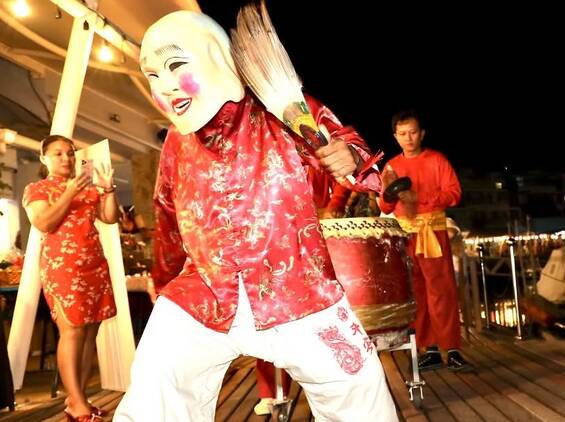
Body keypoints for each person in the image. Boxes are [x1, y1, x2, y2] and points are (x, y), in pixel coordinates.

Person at [113, 11, 397, 421]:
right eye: (153, 75)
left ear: (214, 59)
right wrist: (163, 282)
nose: (165, 86)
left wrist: (348, 155)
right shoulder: (176, 143)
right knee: (155, 385)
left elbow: (346, 146)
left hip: (296, 287)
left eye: (176, 65)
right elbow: (168, 217)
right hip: (204, 293)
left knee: (357, 389)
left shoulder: (278, 109)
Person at [23, 135, 119, 421]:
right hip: (63, 268)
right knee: (73, 331)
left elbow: (110, 217)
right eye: (57, 153)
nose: (66, 158)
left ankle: (79, 400)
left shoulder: (88, 188)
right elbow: (44, 222)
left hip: (94, 265)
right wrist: (69, 192)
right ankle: (77, 404)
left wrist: (108, 190)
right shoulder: (37, 189)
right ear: (44, 158)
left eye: (70, 152)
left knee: (90, 333)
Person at [378, 110, 470, 371]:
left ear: (422, 134)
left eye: (413, 132)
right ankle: (428, 348)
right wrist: (389, 194)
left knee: (442, 291)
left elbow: (454, 193)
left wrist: (421, 200)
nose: (409, 138)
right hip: (405, 235)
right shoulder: (391, 166)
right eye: (403, 134)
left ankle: (451, 348)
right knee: (416, 292)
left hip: (432, 231)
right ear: (395, 137)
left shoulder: (436, 160)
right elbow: (385, 205)